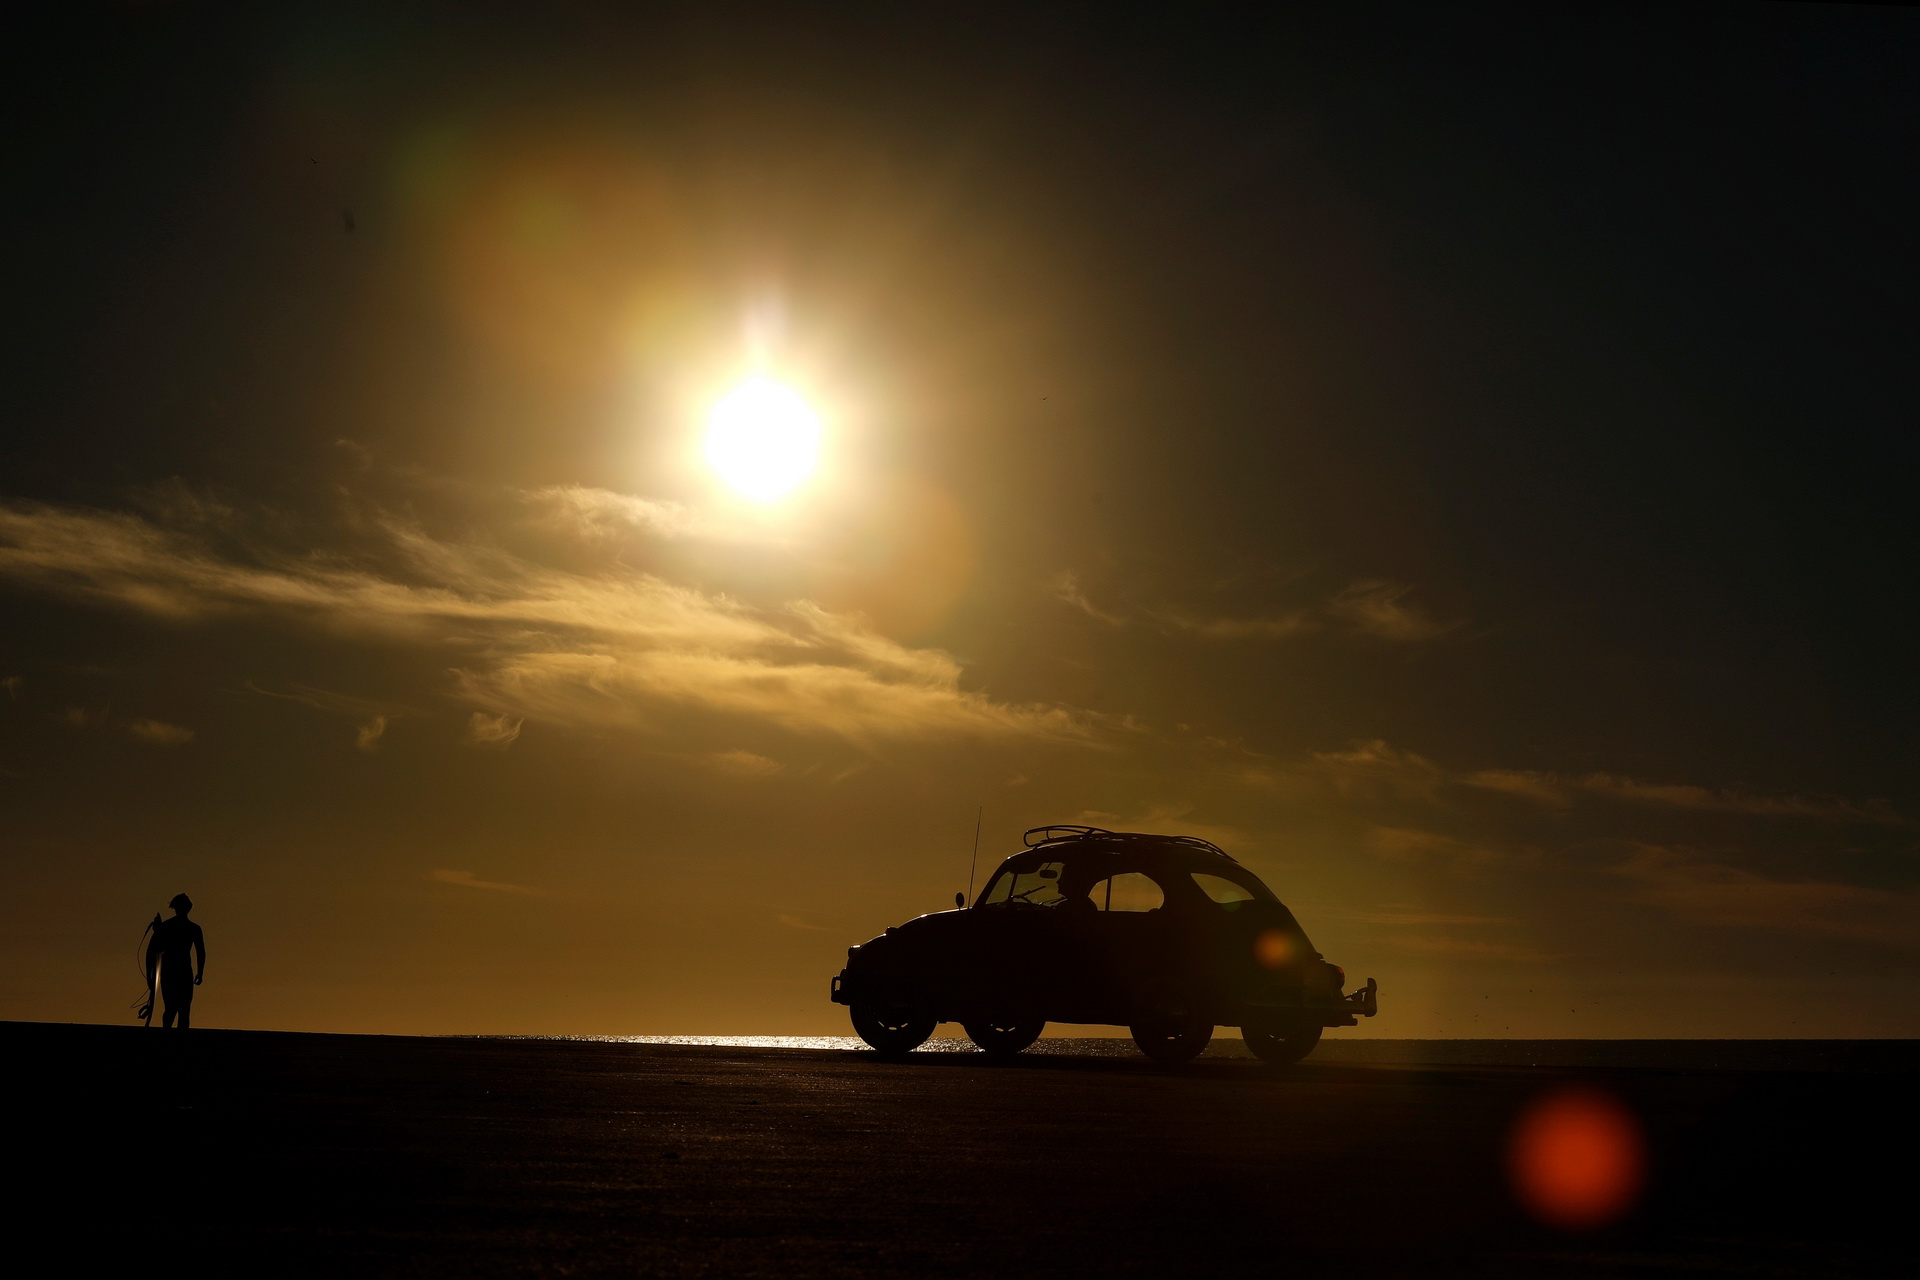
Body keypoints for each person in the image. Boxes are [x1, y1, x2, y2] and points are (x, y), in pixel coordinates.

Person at [142, 894, 205, 1029]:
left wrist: (200, 972)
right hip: (172, 971)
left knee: (182, 1009)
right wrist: (150, 975)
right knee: (173, 1008)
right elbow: (153, 951)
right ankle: (169, 1036)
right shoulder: (168, 927)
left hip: (181, 971)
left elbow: (201, 952)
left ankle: (177, 1039)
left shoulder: (191, 928)